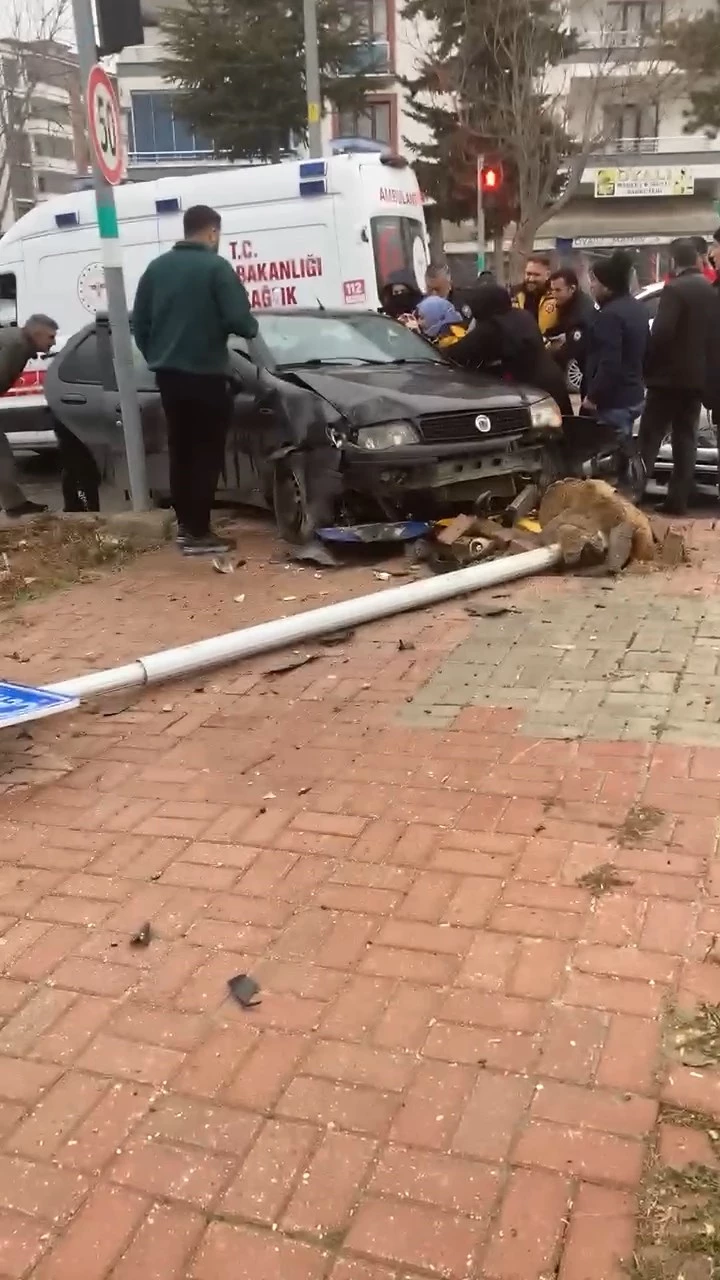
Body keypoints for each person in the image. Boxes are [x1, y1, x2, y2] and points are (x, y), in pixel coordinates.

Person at [133, 204, 258, 555]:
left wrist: (157, 354)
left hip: (169, 378)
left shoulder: (156, 269)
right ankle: (200, 533)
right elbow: (240, 321)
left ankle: (187, 528)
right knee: (206, 453)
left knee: (182, 452)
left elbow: (138, 323)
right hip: (206, 376)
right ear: (212, 232)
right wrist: (246, 325)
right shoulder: (216, 267)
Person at [637, 237, 716, 515]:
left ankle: (633, 493)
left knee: (649, 438)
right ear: (696, 260)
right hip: (696, 378)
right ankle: (677, 500)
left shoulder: (674, 290)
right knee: (686, 438)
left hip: (667, 380)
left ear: (673, 262)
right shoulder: (710, 289)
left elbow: (661, 333)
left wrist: (648, 365)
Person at [448, 283, 572, 415]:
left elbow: (457, 353)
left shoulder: (492, 327)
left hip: (532, 394)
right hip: (552, 381)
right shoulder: (523, 316)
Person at [582, 250, 647, 445]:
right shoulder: (637, 307)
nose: (591, 287)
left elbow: (610, 362)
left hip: (613, 401)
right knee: (624, 450)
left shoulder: (610, 315)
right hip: (633, 394)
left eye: (594, 282)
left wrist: (593, 396)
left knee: (610, 455)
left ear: (608, 287)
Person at [0, 315, 58, 518]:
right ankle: (14, 504)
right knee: (2, 456)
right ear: (37, 333)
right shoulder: (17, 346)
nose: (53, 342)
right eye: (50, 337)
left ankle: (14, 503)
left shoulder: (17, 340)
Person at [545, 268, 596, 391]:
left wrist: (546, 354)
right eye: (552, 290)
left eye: (558, 290)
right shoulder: (569, 304)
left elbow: (570, 349)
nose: (553, 294)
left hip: (593, 374)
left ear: (572, 289)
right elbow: (563, 326)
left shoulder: (581, 312)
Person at [512, 254, 558, 335]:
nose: (531, 279)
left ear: (547, 275)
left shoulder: (556, 295)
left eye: (536, 275)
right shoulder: (514, 294)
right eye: (528, 274)